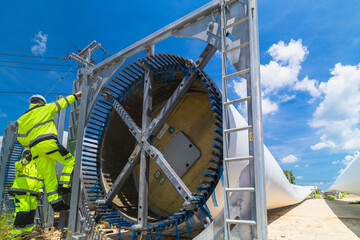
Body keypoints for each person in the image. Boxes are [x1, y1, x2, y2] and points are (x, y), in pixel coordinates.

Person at [16, 92, 81, 211]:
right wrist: (76, 95)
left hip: (35, 150)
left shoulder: (22, 119)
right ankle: (64, 186)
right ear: (41, 102)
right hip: (48, 143)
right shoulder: (45, 108)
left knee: (49, 177)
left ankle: (56, 204)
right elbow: (62, 103)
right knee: (70, 161)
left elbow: (21, 139)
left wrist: (31, 144)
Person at [9, 149, 44, 238]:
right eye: (26, 154)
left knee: (30, 215)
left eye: (29, 154)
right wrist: (26, 160)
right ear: (23, 155)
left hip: (33, 195)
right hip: (21, 193)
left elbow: (39, 181)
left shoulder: (37, 167)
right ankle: (16, 235)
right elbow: (19, 166)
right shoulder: (21, 164)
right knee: (22, 213)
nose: (28, 155)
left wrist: (40, 191)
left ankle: (26, 235)